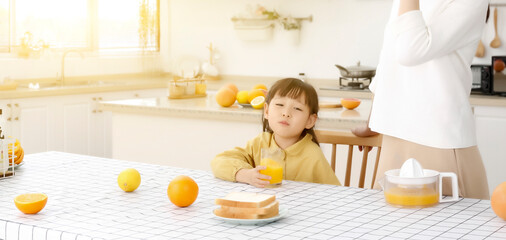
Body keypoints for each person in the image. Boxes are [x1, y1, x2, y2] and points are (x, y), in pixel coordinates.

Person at [353, 0, 490, 199]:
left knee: (450, 226)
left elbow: (411, 51)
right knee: (390, 226)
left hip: (438, 137)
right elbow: (388, 58)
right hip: (396, 132)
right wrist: (373, 120)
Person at [211, 78, 340, 187]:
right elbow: (219, 162)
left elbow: (336, 193)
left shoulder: (312, 155)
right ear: (266, 111)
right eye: (279, 105)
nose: (286, 113)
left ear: (310, 120)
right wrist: (247, 175)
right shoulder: (259, 143)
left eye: (297, 108)